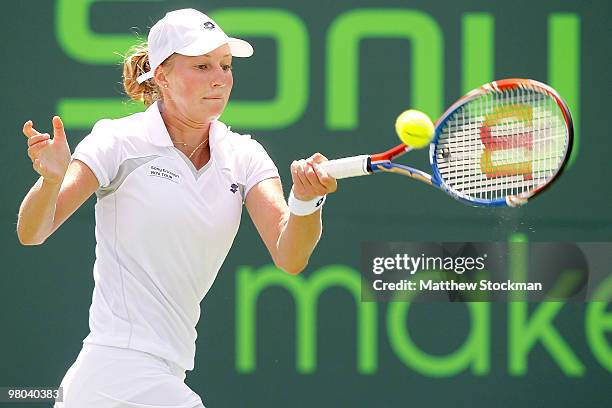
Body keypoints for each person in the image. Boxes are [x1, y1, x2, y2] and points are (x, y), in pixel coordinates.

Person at [17, 8, 336, 408]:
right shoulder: (117, 142)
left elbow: (290, 255)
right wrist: (50, 181)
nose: (219, 77)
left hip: (158, 373)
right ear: (162, 76)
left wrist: (307, 200)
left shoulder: (245, 157)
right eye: (202, 66)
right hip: (116, 371)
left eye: (225, 65)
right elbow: (33, 232)